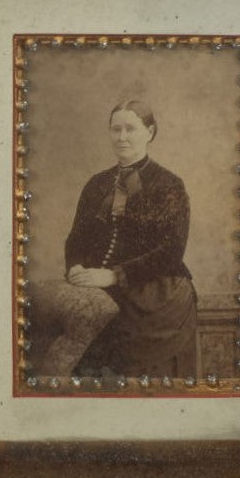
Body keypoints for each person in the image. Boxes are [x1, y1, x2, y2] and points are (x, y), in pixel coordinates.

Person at [63, 99, 198, 378]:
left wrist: (114, 276)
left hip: (156, 293)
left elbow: (171, 251)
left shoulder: (169, 184)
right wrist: (75, 267)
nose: (122, 137)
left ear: (150, 132)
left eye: (130, 129)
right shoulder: (96, 184)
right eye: (115, 130)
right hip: (102, 288)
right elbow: (76, 239)